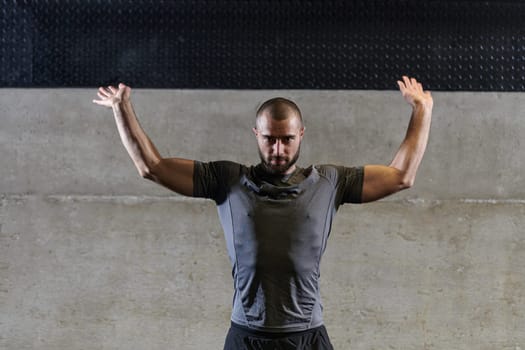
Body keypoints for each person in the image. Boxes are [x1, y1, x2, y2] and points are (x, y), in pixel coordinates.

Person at [93, 76, 433, 350]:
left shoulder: (330, 182)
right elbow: (152, 167)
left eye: (286, 139)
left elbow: (401, 176)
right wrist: (121, 108)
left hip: (306, 336)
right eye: (269, 139)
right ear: (256, 134)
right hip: (247, 335)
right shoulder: (227, 180)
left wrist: (422, 110)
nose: (278, 149)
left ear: (301, 134)